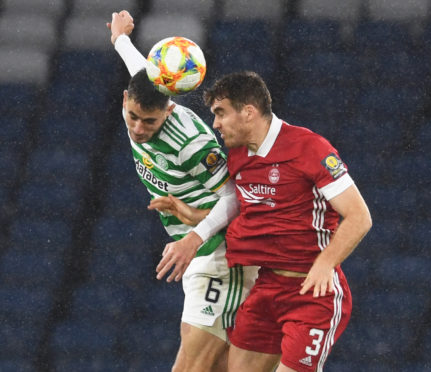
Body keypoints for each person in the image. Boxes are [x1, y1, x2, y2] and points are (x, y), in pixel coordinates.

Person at [157, 71, 372, 371]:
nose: (215, 124)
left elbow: (360, 217)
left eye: (221, 113)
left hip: (312, 294)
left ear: (248, 112)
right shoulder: (238, 157)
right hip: (267, 288)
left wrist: (325, 262)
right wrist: (196, 223)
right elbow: (248, 216)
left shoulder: (309, 148)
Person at [107, 12, 258, 372]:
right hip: (199, 255)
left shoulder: (190, 142)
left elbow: (237, 197)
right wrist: (120, 39)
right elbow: (139, 68)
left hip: (221, 255)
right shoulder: (141, 95)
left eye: (150, 122)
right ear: (125, 99)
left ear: (169, 109)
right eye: (133, 117)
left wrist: (194, 237)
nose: (139, 129)